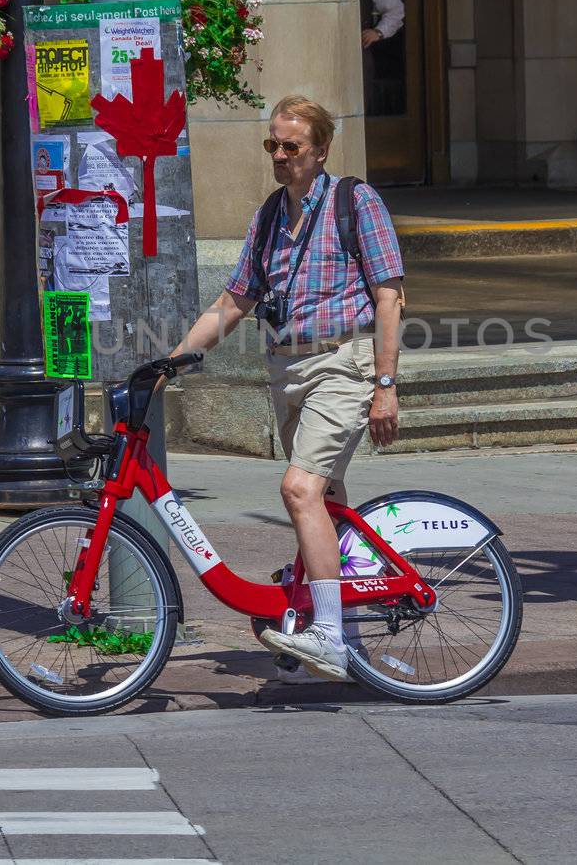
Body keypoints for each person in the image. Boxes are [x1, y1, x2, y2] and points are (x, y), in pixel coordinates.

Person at [171, 95, 405, 682]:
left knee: (299, 490)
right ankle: (342, 627)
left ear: (320, 151)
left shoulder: (357, 202)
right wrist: (169, 362)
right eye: (272, 145)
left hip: (343, 363)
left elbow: (390, 296)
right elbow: (234, 301)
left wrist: (385, 385)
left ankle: (326, 633)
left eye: (291, 146)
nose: (279, 155)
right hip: (288, 369)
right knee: (325, 503)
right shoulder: (271, 213)